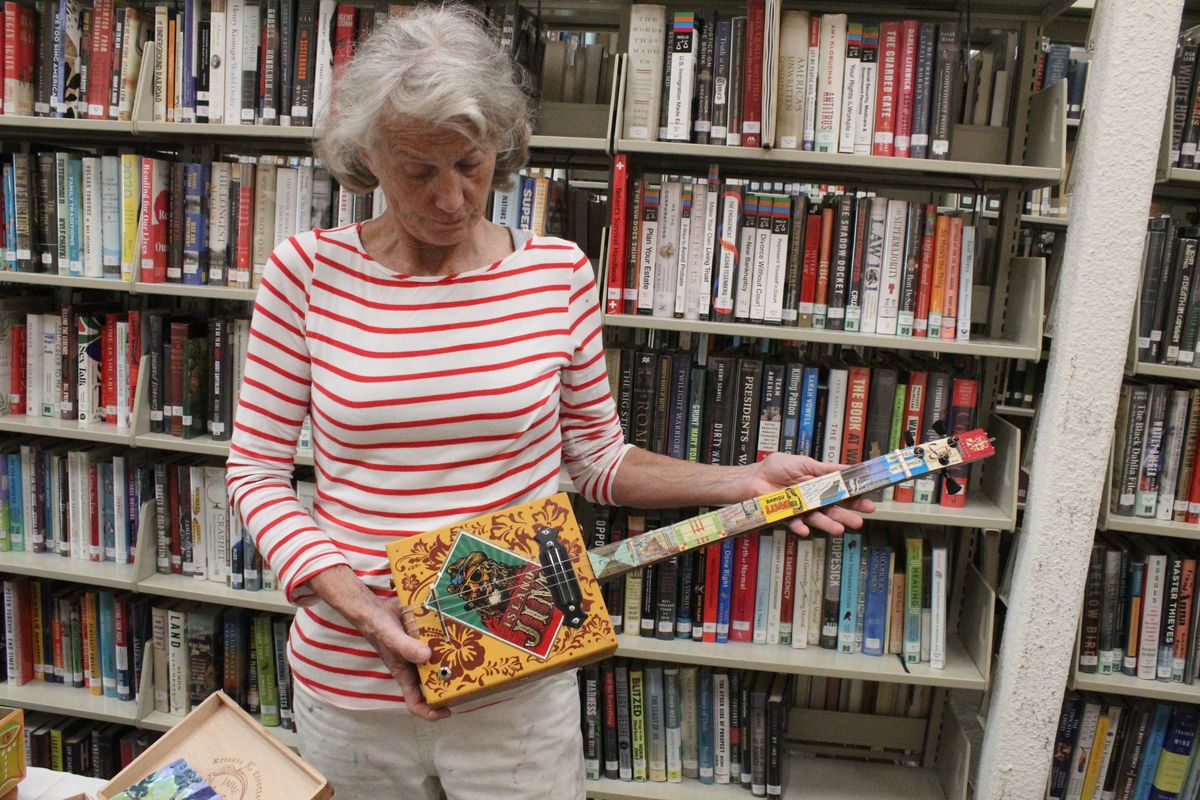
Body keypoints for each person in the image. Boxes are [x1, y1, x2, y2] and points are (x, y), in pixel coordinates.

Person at [225, 6, 872, 799]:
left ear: (501, 140)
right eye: (418, 172)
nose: (454, 200)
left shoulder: (556, 272)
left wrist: (740, 482)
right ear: (366, 157)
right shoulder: (306, 273)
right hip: (351, 683)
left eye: (470, 163)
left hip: (518, 678)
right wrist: (359, 606)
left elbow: (597, 460)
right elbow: (254, 473)